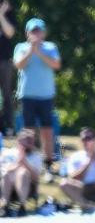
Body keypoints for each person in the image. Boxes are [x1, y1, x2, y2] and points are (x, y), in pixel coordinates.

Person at [13, 17, 61, 182]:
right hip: (27, 95)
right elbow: (18, 65)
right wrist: (31, 51)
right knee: (28, 132)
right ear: (27, 33)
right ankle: (28, 161)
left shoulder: (50, 48)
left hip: (46, 95)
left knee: (48, 131)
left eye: (38, 31)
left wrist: (39, 52)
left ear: (44, 32)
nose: (36, 34)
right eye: (33, 31)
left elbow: (56, 65)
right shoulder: (21, 47)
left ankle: (48, 163)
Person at [0, 129, 41, 216]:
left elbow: (36, 178)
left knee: (22, 173)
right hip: (7, 183)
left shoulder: (36, 156)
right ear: (19, 140)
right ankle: (5, 206)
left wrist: (25, 163)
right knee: (7, 174)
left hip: (28, 186)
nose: (31, 142)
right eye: (27, 139)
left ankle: (22, 206)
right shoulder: (7, 153)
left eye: (32, 140)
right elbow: (4, 170)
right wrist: (19, 162)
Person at [0, 0, 16, 135]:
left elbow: (10, 32)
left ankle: (8, 127)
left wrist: (1, 15)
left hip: (4, 59)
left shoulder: (8, 9)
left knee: (6, 94)